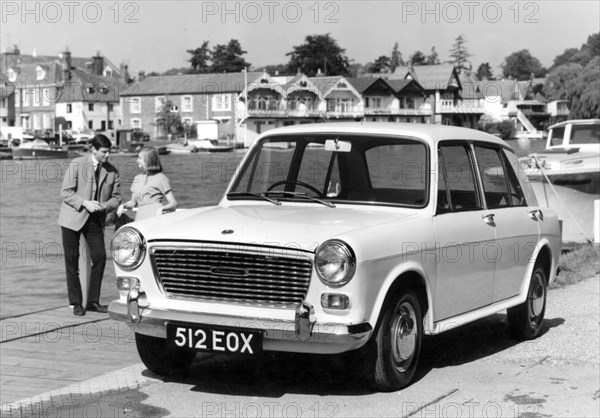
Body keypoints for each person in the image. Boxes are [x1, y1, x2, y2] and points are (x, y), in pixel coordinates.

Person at [58, 134, 121, 316]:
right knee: (72, 260)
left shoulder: (112, 171)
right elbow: (66, 192)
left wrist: (104, 205)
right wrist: (85, 203)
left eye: (109, 151)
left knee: (100, 256)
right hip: (71, 218)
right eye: (104, 152)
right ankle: (76, 302)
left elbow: (116, 198)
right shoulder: (77, 164)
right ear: (93, 149)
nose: (108, 155)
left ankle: (93, 301)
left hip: (95, 220)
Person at [117, 146, 177, 221]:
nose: (137, 160)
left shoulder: (160, 178)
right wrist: (123, 206)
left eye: (140, 158)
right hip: (140, 216)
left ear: (148, 160)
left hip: (155, 216)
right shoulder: (137, 178)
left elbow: (173, 203)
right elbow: (133, 202)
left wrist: (161, 209)